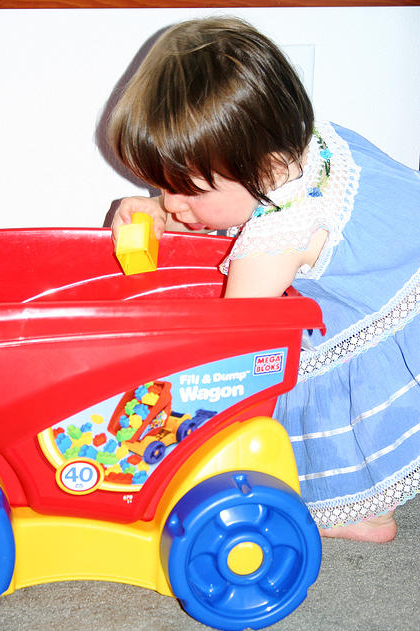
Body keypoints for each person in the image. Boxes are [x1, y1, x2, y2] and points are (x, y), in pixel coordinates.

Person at [108, 16, 420, 542]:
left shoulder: (273, 243)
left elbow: (230, 354)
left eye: (189, 191)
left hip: (386, 296)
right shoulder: (307, 142)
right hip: (399, 264)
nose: (175, 205)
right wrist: (156, 204)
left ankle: (364, 513)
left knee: (287, 383)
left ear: (267, 165)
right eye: (163, 185)